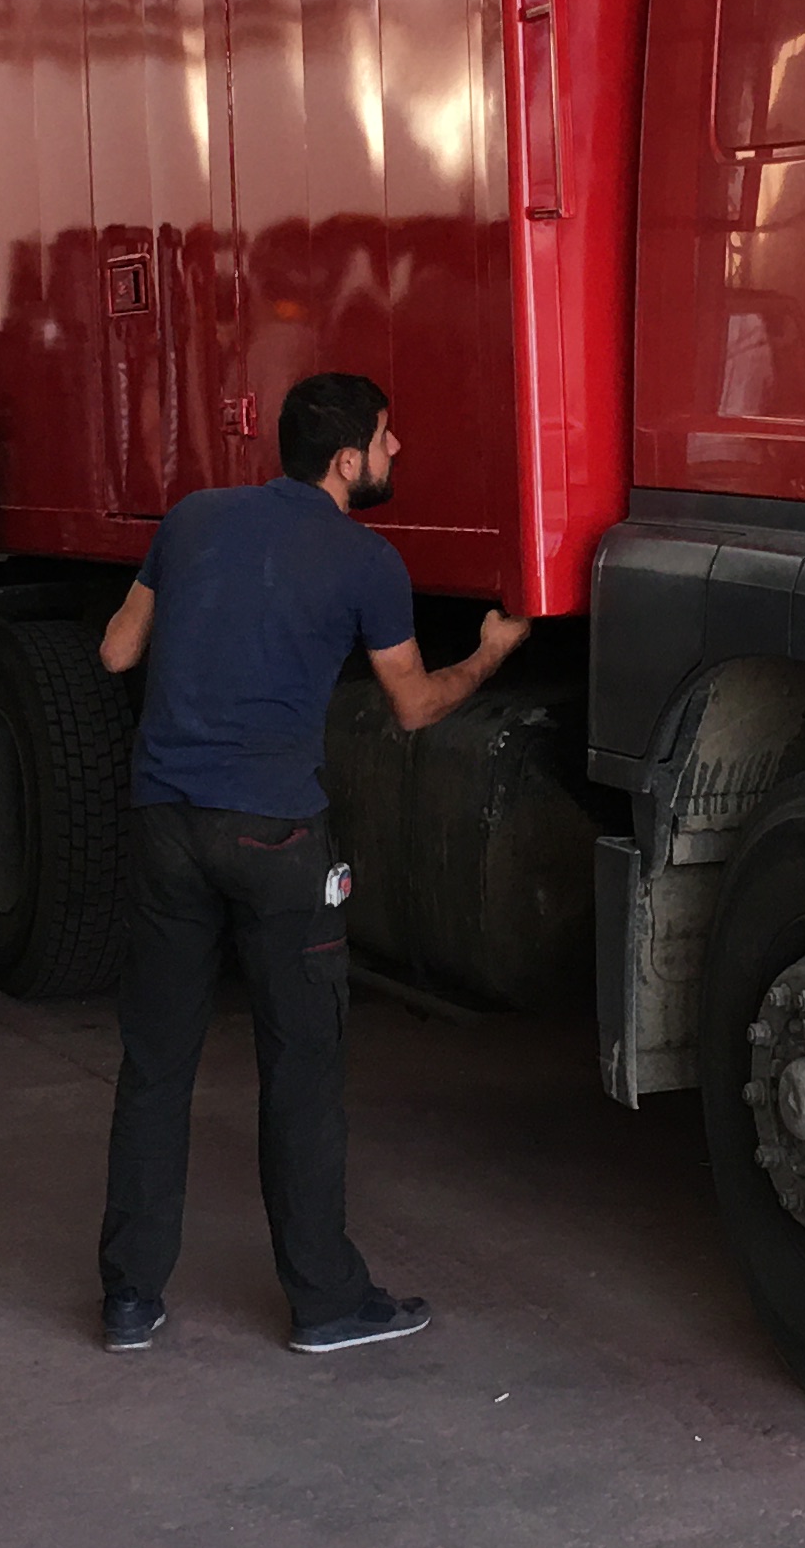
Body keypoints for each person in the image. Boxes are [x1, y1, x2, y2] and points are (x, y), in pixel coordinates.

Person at [92, 373, 528, 1357]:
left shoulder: (193, 517)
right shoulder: (367, 561)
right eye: (387, 437)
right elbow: (413, 706)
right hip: (277, 836)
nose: (397, 451)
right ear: (346, 459)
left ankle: (129, 1299)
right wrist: (492, 653)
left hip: (166, 821)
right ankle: (325, 1303)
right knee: (300, 1065)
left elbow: (117, 652)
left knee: (155, 1063)